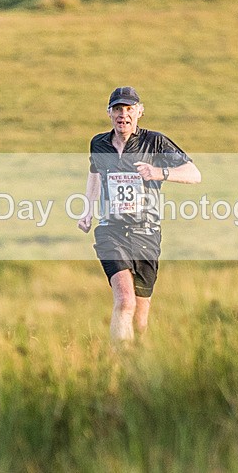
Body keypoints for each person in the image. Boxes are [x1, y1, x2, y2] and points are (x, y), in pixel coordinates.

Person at [78, 86, 201, 343]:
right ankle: (117, 364)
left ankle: (136, 367)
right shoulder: (98, 143)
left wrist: (159, 173)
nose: (123, 115)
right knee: (124, 301)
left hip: (146, 232)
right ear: (109, 113)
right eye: (117, 109)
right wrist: (88, 209)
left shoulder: (155, 142)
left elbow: (194, 174)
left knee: (140, 319)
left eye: (129, 109)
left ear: (139, 112)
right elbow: (95, 172)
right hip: (111, 231)